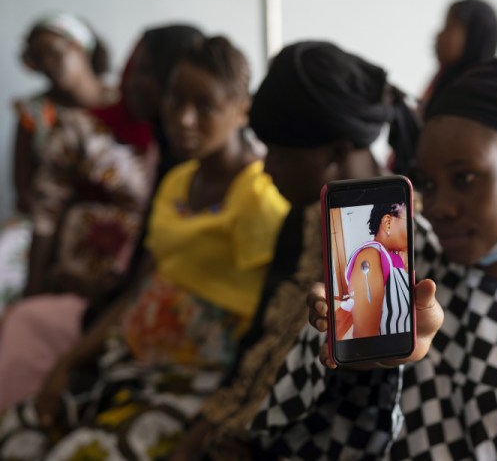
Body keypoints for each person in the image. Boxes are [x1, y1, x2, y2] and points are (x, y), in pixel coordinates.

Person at [249, 58, 497, 459]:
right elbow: (296, 430)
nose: (440, 205)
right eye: (427, 183)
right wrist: (360, 360)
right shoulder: (413, 266)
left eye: (464, 179)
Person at [0, 35, 290, 460]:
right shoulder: (177, 182)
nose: (184, 119)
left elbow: (273, 322)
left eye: (205, 106)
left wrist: (226, 416)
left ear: (241, 109)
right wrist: (69, 362)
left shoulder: (259, 198)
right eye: (175, 101)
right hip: (128, 364)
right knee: (16, 435)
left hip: (195, 381)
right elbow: (144, 284)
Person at [167, 40, 422, 461]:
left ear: (337, 153)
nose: (265, 168)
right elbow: (259, 347)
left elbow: (372, 404)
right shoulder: (303, 218)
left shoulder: (407, 244)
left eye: (280, 155)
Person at [0, 24, 204, 413]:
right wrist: (40, 285)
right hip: (103, 291)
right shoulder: (64, 122)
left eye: (145, 70)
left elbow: (157, 268)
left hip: (137, 306)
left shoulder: (181, 158)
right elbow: (39, 203)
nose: (133, 78)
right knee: (26, 316)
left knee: (34, 328)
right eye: (39, 57)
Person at [0, 12, 116, 311]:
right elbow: (23, 187)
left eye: (55, 52)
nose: (49, 64)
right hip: (42, 216)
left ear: (80, 47)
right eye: (38, 58)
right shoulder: (34, 113)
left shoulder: (120, 102)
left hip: (108, 214)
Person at [338, 202, 410, 339]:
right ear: (388, 223)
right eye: (410, 221)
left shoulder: (397, 256)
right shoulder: (371, 255)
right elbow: (365, 337)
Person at [420, 0, 497, 117]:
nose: (438, 35)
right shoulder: (443, 79)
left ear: (474, 37)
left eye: (449, 27)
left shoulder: (478, 96)